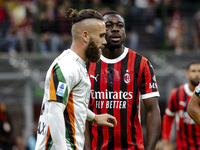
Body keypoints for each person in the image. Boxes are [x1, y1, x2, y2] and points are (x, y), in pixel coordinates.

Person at [34, 8, 117, 150]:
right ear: (85, 36)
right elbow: (54, 111)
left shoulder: (77, 65)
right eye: (101, 36)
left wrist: (94, 117)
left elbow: (70, 104)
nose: (104, 42)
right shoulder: (66, 67)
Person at [84, 10, 161, 150]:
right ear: (99, 31)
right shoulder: (86, 64)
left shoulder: (141, 64)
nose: (115, 29)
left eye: (120, 25)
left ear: (125, 31)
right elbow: (81, 113)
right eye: (109, 25)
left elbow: (152, 110)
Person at [162, 62, 200, 150]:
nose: (197, 74)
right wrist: (165, 142)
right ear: (187, 74)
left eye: (199, 71)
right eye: (193, 71)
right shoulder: (177, 93)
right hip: (183, 146)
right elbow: (168, 117)